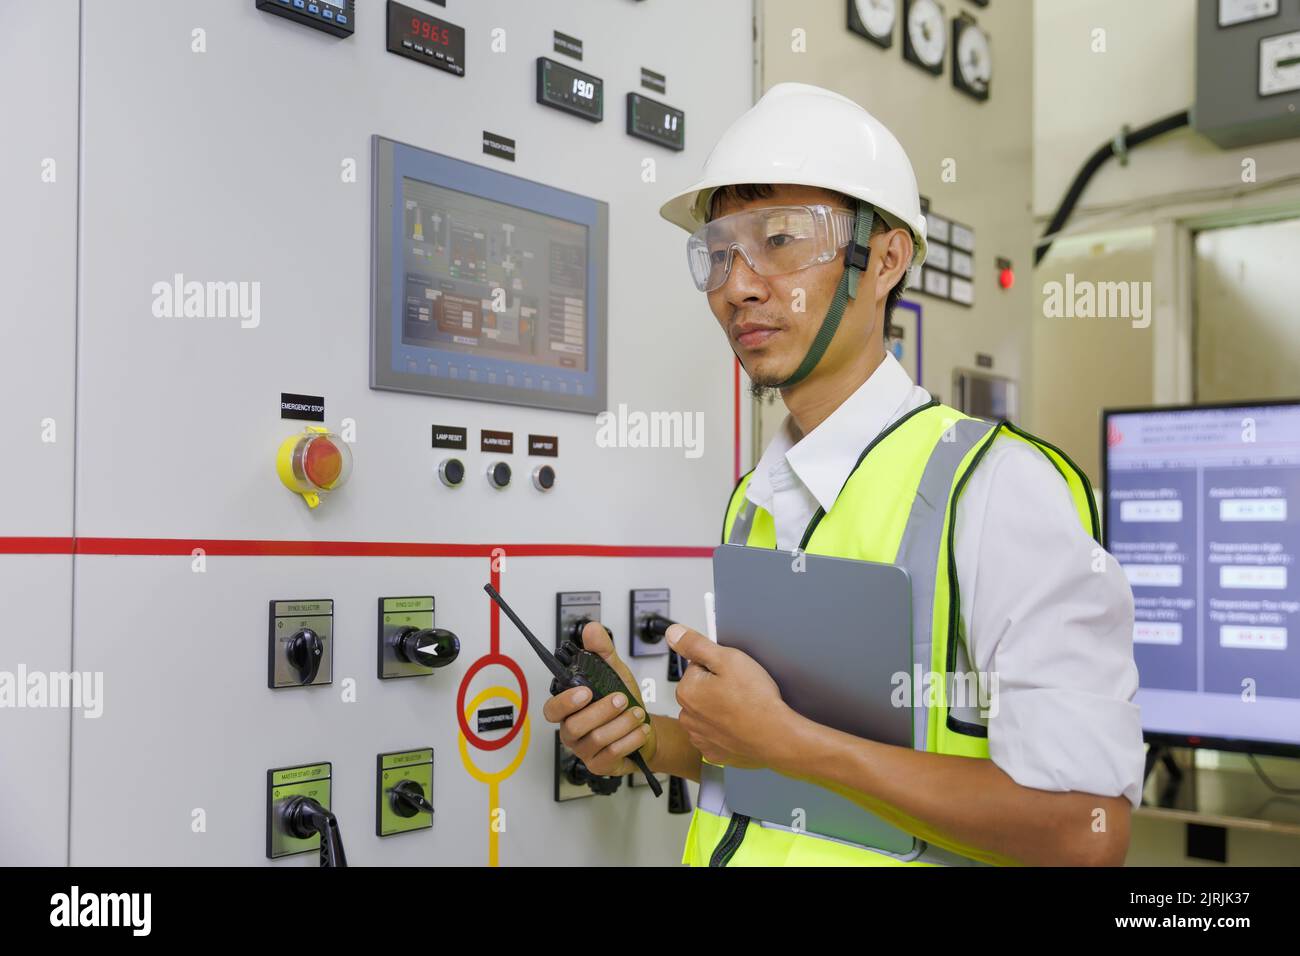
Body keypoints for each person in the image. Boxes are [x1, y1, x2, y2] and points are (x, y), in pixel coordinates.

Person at [543, 83, 1144, 866]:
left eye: (782, 239)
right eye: (719, 252)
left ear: (886, 258)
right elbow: (775, 779)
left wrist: (794, 743)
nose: (738, 285)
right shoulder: (757, 500)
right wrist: (652, 740)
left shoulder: (997, 491)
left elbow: (1085, 833)